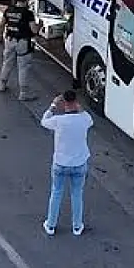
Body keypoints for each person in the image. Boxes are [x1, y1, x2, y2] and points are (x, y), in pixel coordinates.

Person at [40, 90, 94, 236]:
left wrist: (53, 105)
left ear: (64, 103)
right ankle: (77, 226)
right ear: (76, 102)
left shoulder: (59, 121)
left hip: (60, 163)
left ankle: (50, 225)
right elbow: (89, 119)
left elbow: (44, 121)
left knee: (56, 193)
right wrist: (78, 106)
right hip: (79, 163)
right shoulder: (84, 119)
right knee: (77, 194)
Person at [0, 0, 41, 101]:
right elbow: (34, 30)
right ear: (27, 0)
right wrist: (39, 25)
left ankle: (2, 84)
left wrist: (0, 36)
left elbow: (2, 24)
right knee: (23, 67)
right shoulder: (28, 13)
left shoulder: (9, 10)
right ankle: (23, 93)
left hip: (9, 40)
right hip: (22, 43)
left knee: (7, 63)